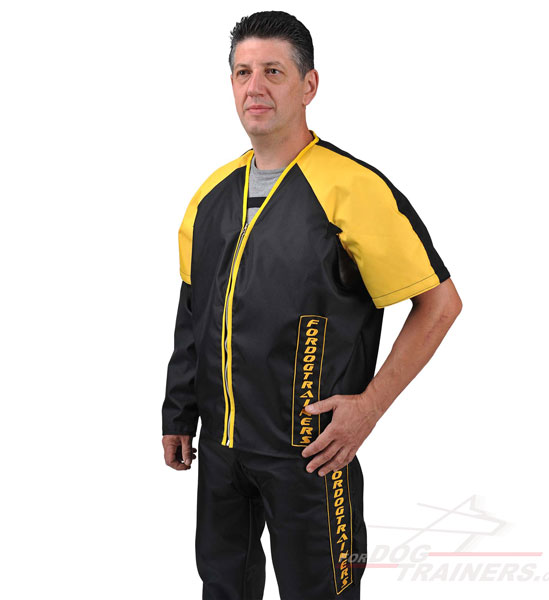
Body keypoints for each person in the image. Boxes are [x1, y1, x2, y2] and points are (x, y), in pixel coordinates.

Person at [161, 10, 462, 600]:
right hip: (220, 455)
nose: (255, 87)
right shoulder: (211, 195)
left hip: (311, 453)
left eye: (273, 71)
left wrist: (369, 407)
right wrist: (178, 413)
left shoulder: (352, 189)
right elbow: (194, 311)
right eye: (243, 72)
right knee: (222, 589)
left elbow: (440, 303)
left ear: (309, 85)